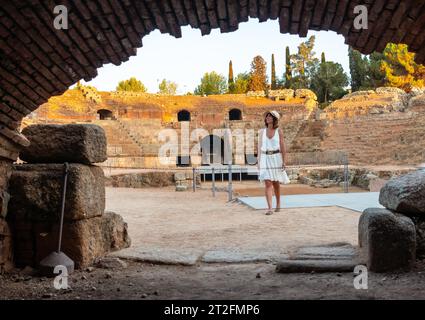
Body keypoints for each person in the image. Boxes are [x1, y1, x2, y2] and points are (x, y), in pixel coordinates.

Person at [257, 110, 289, 215]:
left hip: (276, 157)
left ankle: (278, 204)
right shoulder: (262, 131)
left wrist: (284, 161)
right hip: (265, 158)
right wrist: (258, 161)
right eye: (267, 116)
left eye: (270, 116)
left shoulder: (279, 131)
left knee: (276, 183)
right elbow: (259, 147)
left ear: (274, 119)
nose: (267, 118)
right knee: (267, 182)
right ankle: (270, 208)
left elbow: (282, 146)